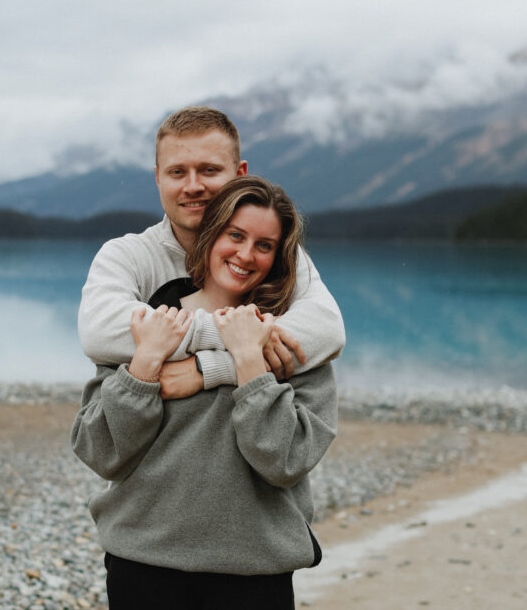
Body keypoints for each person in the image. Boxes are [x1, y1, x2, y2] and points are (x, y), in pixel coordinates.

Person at [72, 176, 338, 610]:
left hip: (252, 572)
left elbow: (285, 461)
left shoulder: (289, 344)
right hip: (146, 566)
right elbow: (101, 449)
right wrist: (143, 367)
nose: (246, 254)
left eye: (266, 246)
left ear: (282, 258)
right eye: (235, 235)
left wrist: (249, 365)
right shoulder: (150, 323)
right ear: (210, 235)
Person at [78, 106, 345, 400]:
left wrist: (211, 367)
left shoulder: (271, 252)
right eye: (177, 172)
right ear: (158, 178)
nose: (193, 186)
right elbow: (99, 333)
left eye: (209, 170)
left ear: (240, 174)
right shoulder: (125, 255)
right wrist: (241, 336)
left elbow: (327, 331)